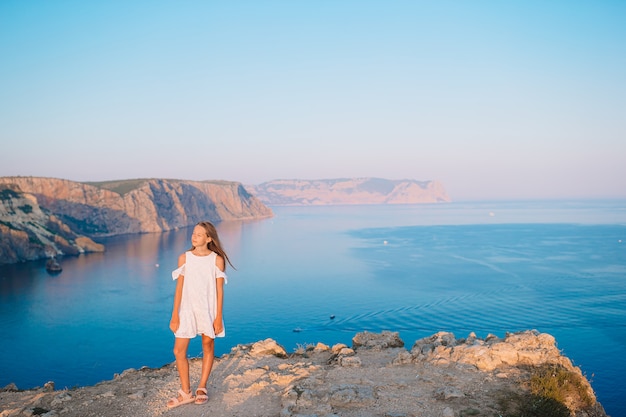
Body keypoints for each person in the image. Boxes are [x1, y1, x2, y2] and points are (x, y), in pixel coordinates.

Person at [167, 221, 233, 408]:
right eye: (193, 233)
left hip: (208, 309)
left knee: (207, 345)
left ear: (209, 238)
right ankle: (185, 392)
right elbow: (179, 288)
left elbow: (220, 291)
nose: (194, 236)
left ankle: (202, 386)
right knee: (178, 350)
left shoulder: (216, 260)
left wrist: (218, 317)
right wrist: (175, 314)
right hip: (187, 309)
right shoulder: (185, 258)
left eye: (198, 234)